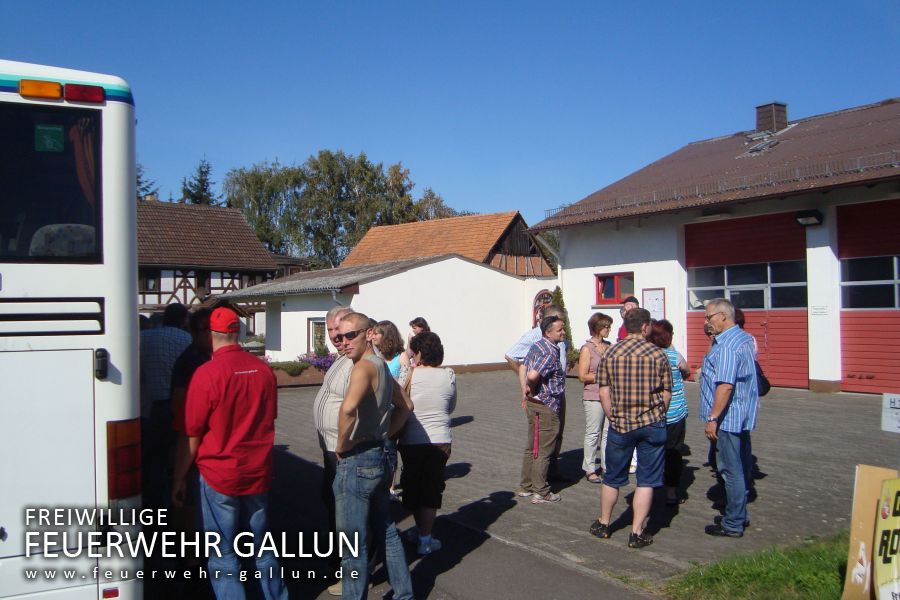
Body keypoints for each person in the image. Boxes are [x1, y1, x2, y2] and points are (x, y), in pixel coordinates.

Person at [172, 307, 287, 599]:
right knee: (261, 547)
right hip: (257, 471)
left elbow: (192, 434)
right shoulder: (263, 370)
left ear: (211, 335)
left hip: (218, 474)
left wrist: (178, 478)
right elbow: (269, 417)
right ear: (237, 333)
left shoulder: (206, 374)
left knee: (223, 554)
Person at [334, 312, 414, 600]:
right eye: (339, 338)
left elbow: (347, 409)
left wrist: (343, 445)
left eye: (350, 335)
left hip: (358, 461)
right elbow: (405, 406)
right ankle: (404, 594)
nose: (343, 342)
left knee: (353, 544)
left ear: (369, 334)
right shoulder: (380, 364)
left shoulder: (364, 368)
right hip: (379, 456)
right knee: (387, 530)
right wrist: (385, 434)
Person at [591, 308, 672, 549]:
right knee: (646, 479)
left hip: (621, 423)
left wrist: (611, 414)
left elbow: (603, 389)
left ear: (626, 325)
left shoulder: (611, 352)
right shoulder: (658, 354)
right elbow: (667, 391)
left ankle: (604, 523)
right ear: (645, 326)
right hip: (651, 423)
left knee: (612, 477)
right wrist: (659, 414)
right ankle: (637, 532)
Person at [700, 298, 760, 539]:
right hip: (742, 414)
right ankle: (738, 513)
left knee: (729, 468)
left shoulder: (727, 346)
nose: (706, 322)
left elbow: (725, 386)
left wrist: (713, 417)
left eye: (709, 317)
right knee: (741, 465)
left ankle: (733, 521)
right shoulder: (743, 338)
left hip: (728, 417)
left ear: (723, 316)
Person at [399, 331, 457, 555]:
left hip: (411, 438)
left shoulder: (409, 374)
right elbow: (451, 406)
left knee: (413, 485)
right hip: (440, 438)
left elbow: (397, 401)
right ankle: (425, 536)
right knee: (432, 488)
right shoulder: (449, 375)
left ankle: (420, 531)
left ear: (420, 352)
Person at [312, 305, 355, 595]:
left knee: (348, 514)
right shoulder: (342, 358)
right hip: (330, 447)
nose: (336, 338)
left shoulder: (358, 360)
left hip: (343, 449)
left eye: (341, 332)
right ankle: (337, 563)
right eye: (331, 332)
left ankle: (350, 572)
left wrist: (344, 443)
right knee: (333, 505)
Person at [505, 305, 569, 481]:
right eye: (560, 325)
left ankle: (552, 471)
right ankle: (539, 481)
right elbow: (511, 356)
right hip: (543, 395)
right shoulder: (535, 336)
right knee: (540, 439)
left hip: (558, 392)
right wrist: (527, 385)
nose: (564, 329)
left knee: (557, 433)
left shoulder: (560, 338)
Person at [140, 302, 191, 508]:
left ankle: (158, 505)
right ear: (183, 320)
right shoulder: (187, 340)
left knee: (155, 460)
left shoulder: (144, 338)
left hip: (153, 408)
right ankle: (181, 499)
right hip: (182, 407)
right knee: (182, 454)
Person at [518, 315, 567, 504]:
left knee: (532, 446)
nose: (563, 332)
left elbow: (523, 366)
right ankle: (541, 490)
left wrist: (526, 389)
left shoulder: (537, 345)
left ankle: (526, 485)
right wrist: (530, 383)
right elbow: (531, 373)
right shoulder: (549, 351)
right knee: (544, 449)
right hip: (546, 404)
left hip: (534, 401)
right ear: (548, 332)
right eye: (559, 330)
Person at [645, 319, 691, 506]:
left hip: (653, 412)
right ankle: (671, 492)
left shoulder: (649, 356)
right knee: (673, 451)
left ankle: (650, 486)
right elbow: (687, 371)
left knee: (653, 450)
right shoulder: (674, 356)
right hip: (675, 412)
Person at [371, 320, 411, 501]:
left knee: (390, 447)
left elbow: (404, 383)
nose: (374, 336)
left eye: (377, 333)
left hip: (393, 409)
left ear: (386, 336)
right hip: (376, 410)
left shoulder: (400, 357)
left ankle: (391, 486)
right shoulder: (375, 357)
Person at [577, 312, 613, 483]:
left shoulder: (610, 346)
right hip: (593, 395)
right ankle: (590, 468)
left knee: (608, 433)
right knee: (593, 433)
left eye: (609, 326)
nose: (609, 329)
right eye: (606, 326)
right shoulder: (587, 348)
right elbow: (583, 376)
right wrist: (604, 375)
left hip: (611, 395)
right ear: (597, 328)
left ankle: (606, 466)